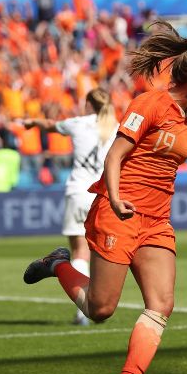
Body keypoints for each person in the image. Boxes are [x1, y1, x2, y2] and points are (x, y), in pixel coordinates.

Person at [23, 21, 187, 374]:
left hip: (156, 222)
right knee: (100, 309)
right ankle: (59, 264)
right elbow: (114, 156)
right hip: (119, 212)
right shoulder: (149, 103)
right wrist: (114, 200)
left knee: (161, 303)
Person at [21, 88, 118, 326]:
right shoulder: (116, 127)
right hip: (103, 194)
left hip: (78, 192)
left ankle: (81, 309)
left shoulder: (79, 122)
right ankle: (92, 302)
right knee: (98, 252)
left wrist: (33, 122)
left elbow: (51, 125)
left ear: (88, 105)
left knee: (79, 252)